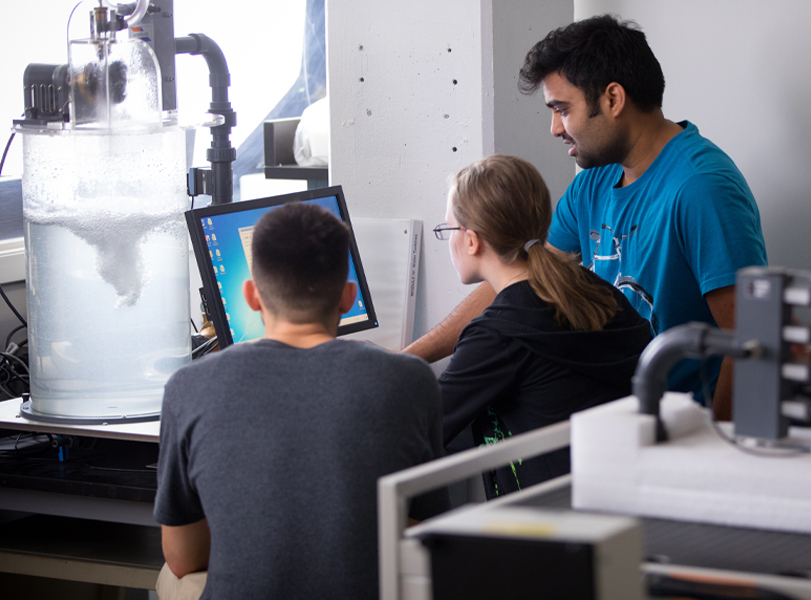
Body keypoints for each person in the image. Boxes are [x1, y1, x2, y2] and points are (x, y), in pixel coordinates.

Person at [406, 15, 767, 420]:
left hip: (682, 436)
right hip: (616, 429)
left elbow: (753, 339)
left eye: (562, 109)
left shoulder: (701, 188)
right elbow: (522, 282)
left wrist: (717, 449)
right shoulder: (591, 183)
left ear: (613, 99)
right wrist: (408, 358)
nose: (554, 128)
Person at [153, 202, 447, 600]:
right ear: (347, 298)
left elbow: (184, 559)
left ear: (252, 296)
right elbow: (421, 531)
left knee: (169, 579)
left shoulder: (188, 387)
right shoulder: (410, 380)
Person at [437, 155, 653, 497]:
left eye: (447, 229)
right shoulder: (595, 292)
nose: (447, 241)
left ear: (471, 240)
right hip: (624, 501)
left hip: (550, 527)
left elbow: (421, 427)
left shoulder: (499, 333)